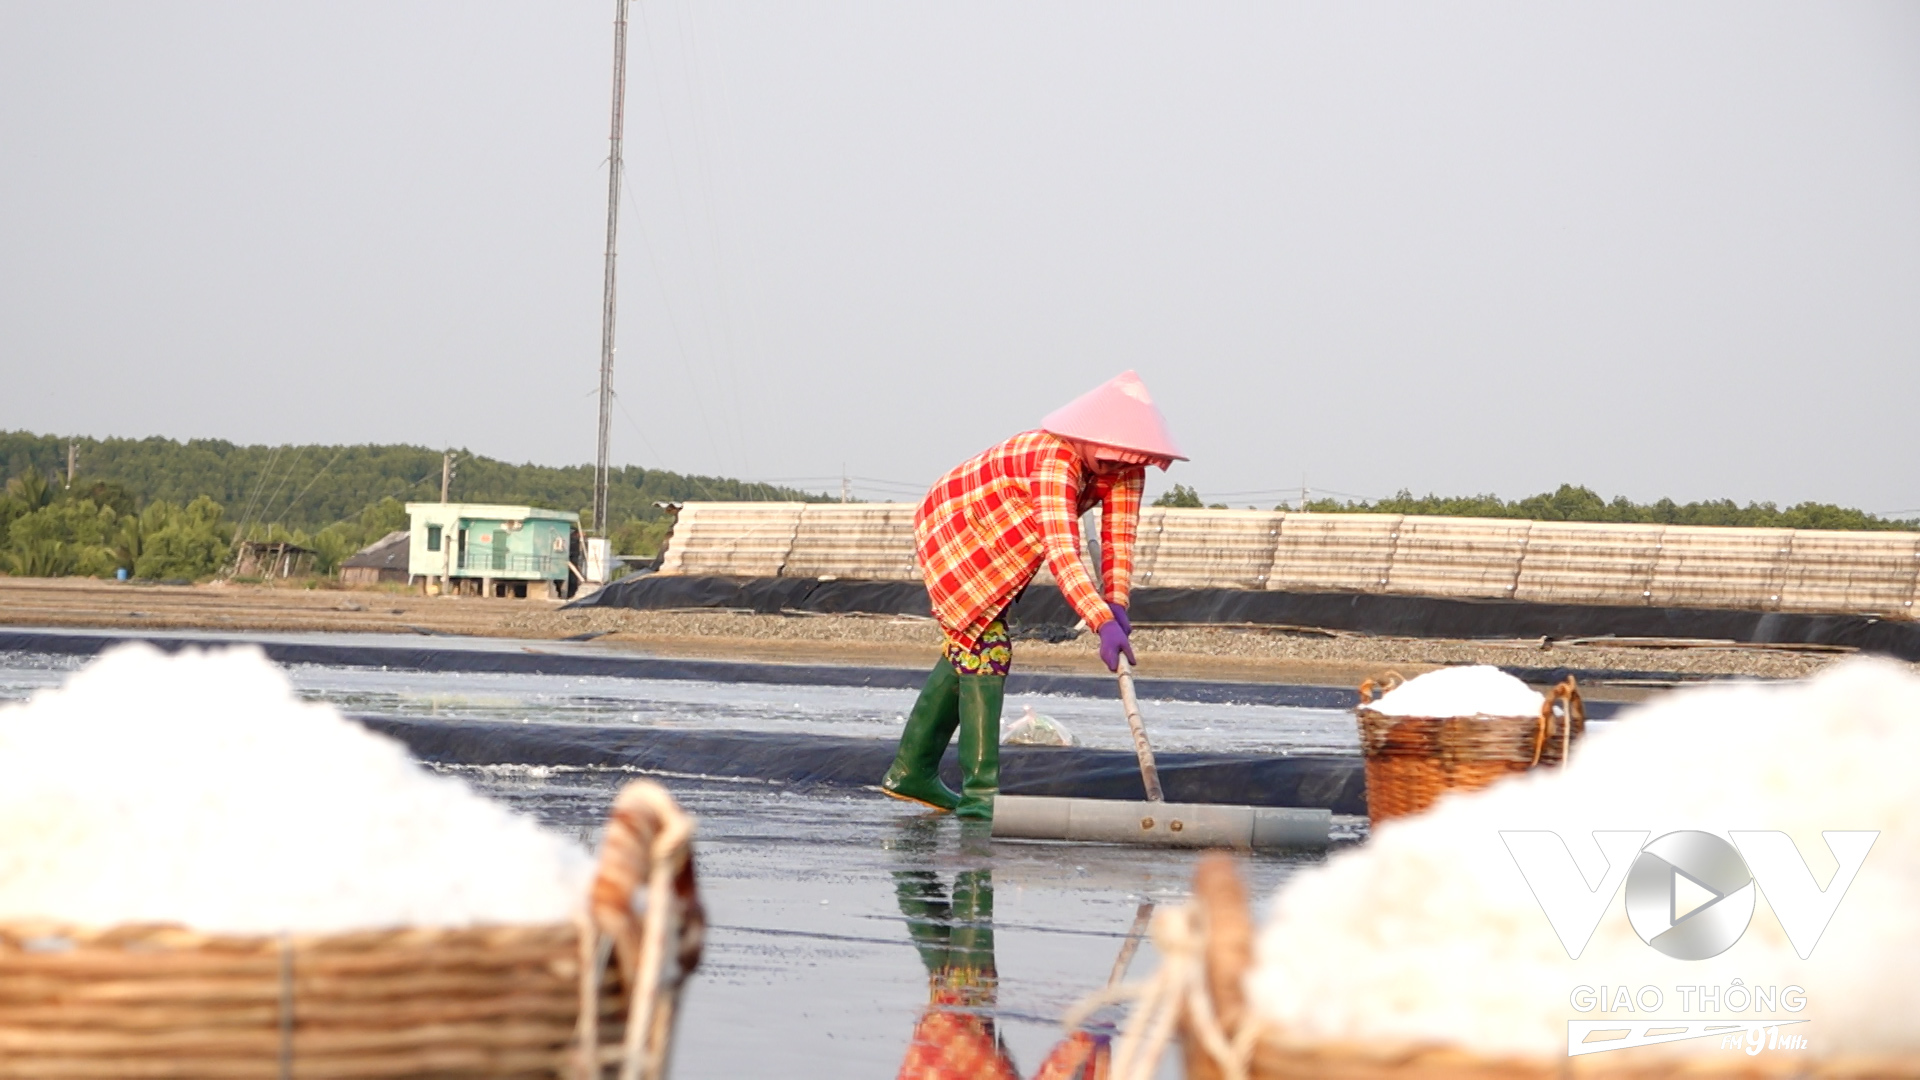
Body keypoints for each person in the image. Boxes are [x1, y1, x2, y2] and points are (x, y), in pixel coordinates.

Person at [880, 370, 1184, 820]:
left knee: (968, 643)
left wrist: (1117, 603)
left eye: (1126, 462)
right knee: (985, 647)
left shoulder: (1126, 468)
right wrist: (1097, 619)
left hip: (1009, 539)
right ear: (1085, 439)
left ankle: (911, 771)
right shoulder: (1053, 459)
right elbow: (1064, 551)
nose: (1118, 470)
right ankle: (981, 798)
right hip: (959, 527)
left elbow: (1119, 541)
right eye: (1109, 461)